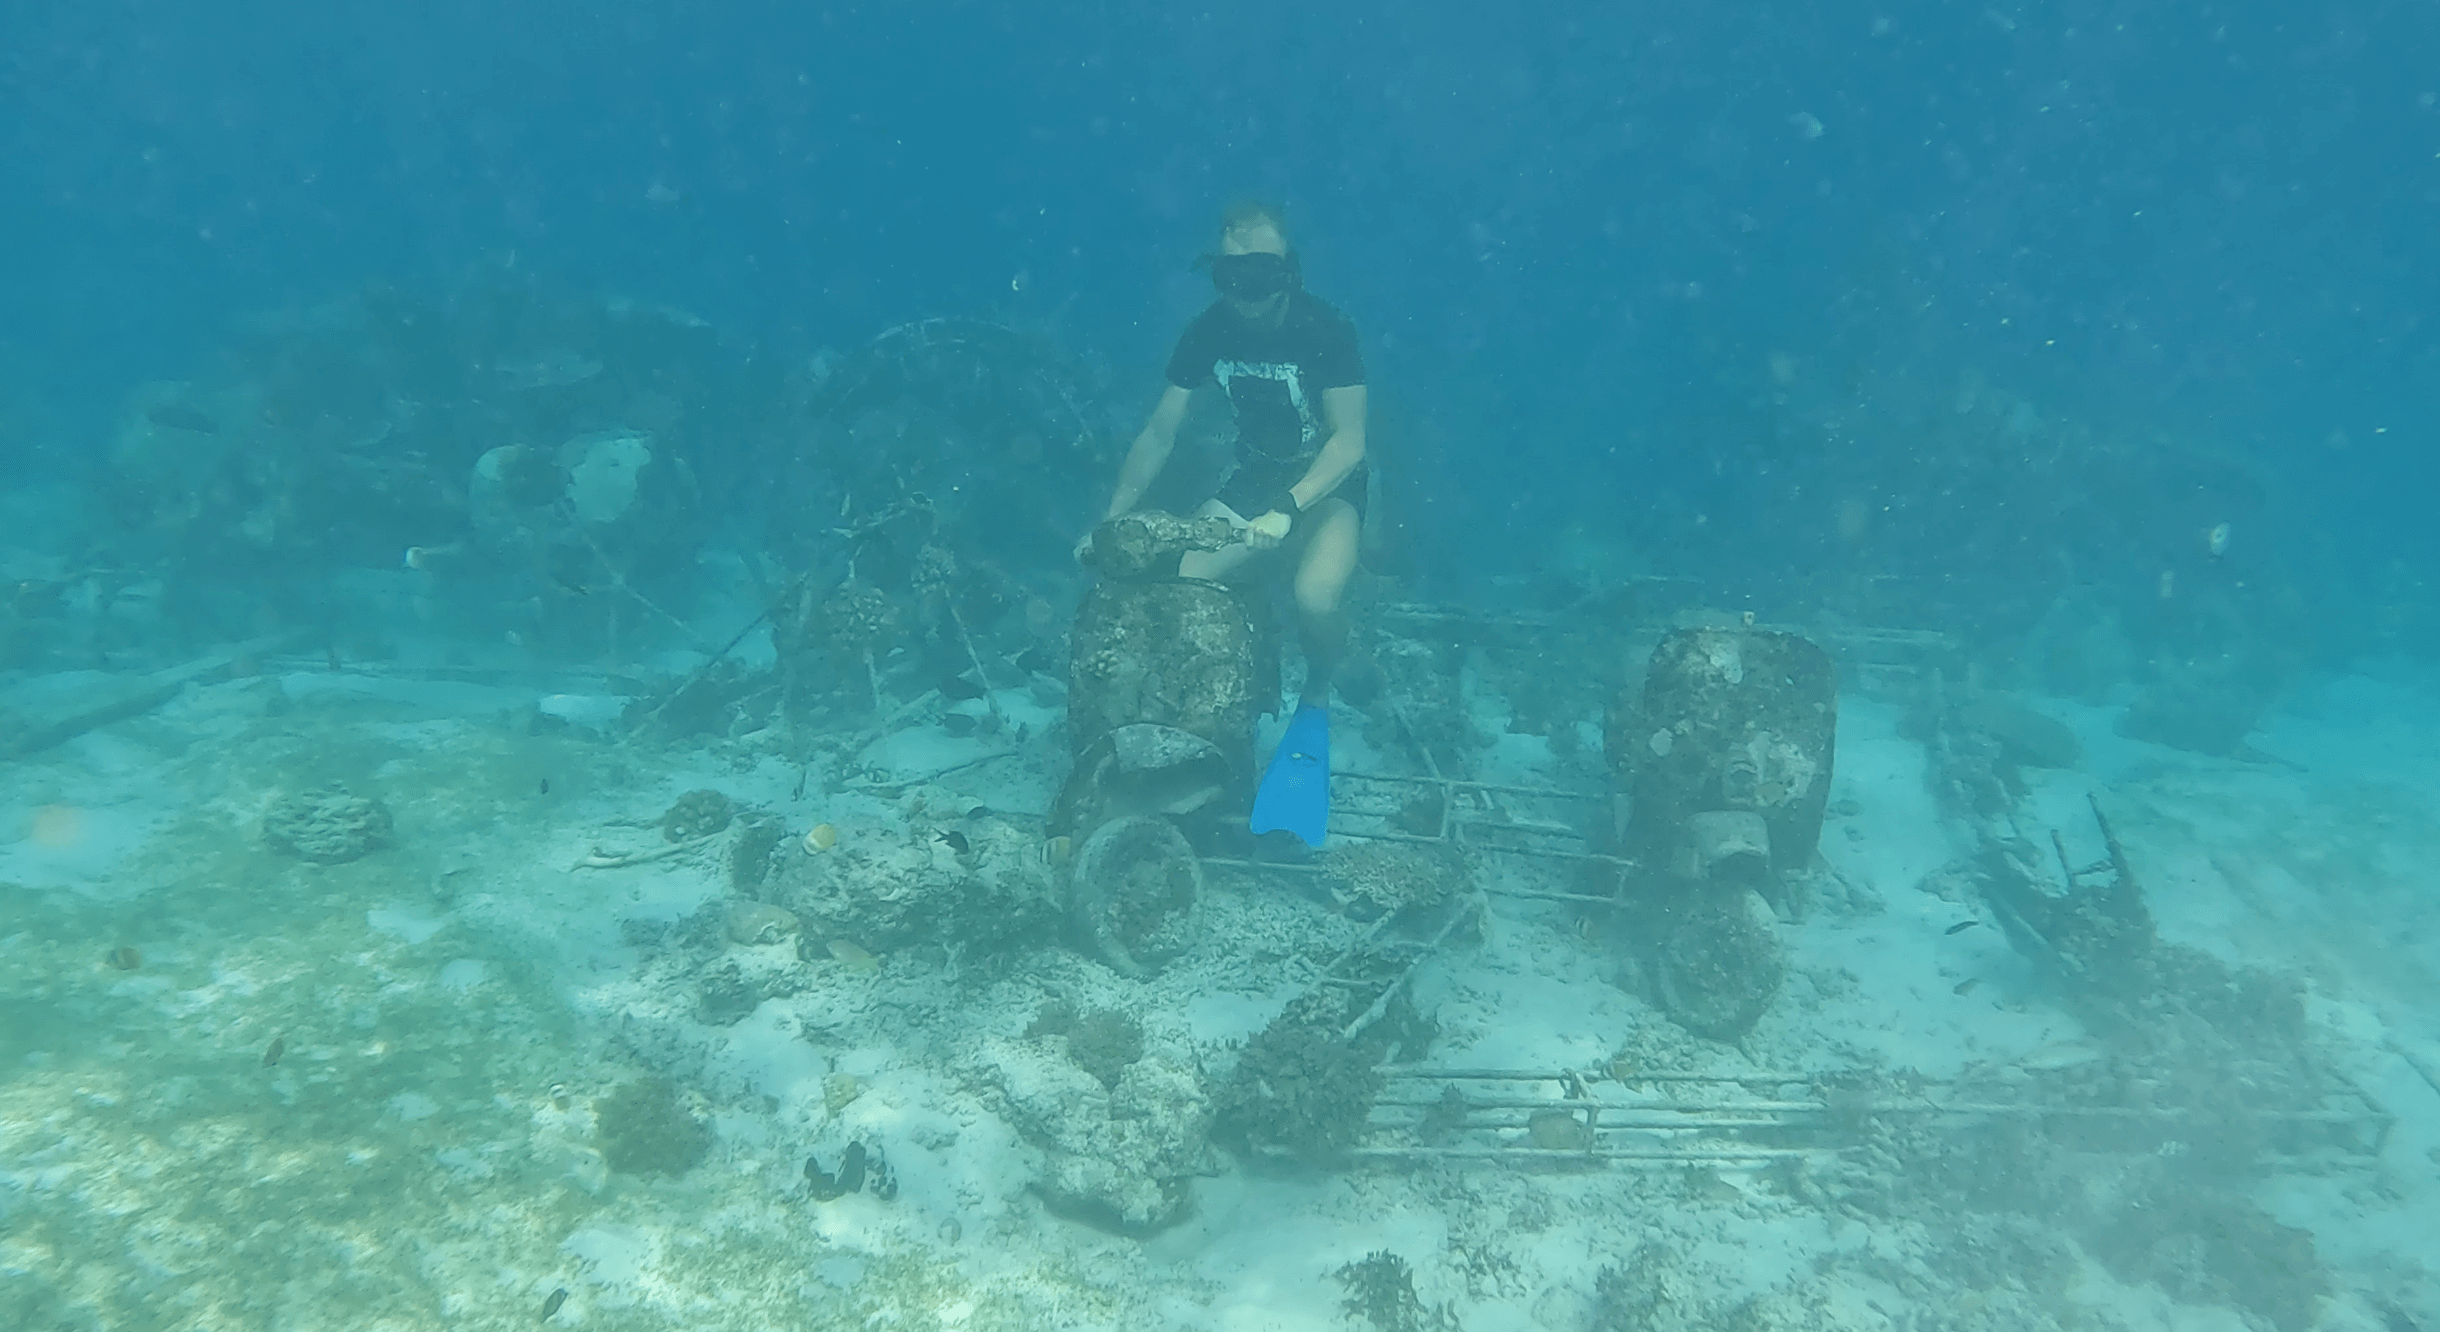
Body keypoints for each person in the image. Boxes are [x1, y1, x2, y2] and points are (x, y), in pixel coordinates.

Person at [1081, 201, 1368, 712]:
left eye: (1257, 275)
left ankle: (1324, 676)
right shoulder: (1207, 333)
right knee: (1186, 580)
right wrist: (1111, 522)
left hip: (1327, 484)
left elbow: (1349, 442)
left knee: (1316, 598)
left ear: (1285, 273)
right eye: (1229, 274)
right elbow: (1158, 435)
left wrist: (1287, 509)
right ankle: (1248, 658)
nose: (1243, 293)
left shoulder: (1327, 330)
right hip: (1255, 477)